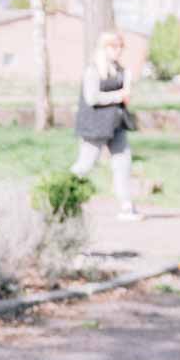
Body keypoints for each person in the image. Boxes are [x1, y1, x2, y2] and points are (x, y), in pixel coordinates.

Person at [70, 30, 140, 219]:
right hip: (95, 126)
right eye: (114, 46)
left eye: (120, 46)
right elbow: (91, 98)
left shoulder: (120, 70)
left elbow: (124, 96)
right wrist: (118, 95)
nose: (118, 50)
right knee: (85, 165)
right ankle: (64, 194)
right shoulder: (93, 70)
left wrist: (127, 89)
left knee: (123, 163)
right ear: (104, 47)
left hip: (116, 125)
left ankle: (126, 205)